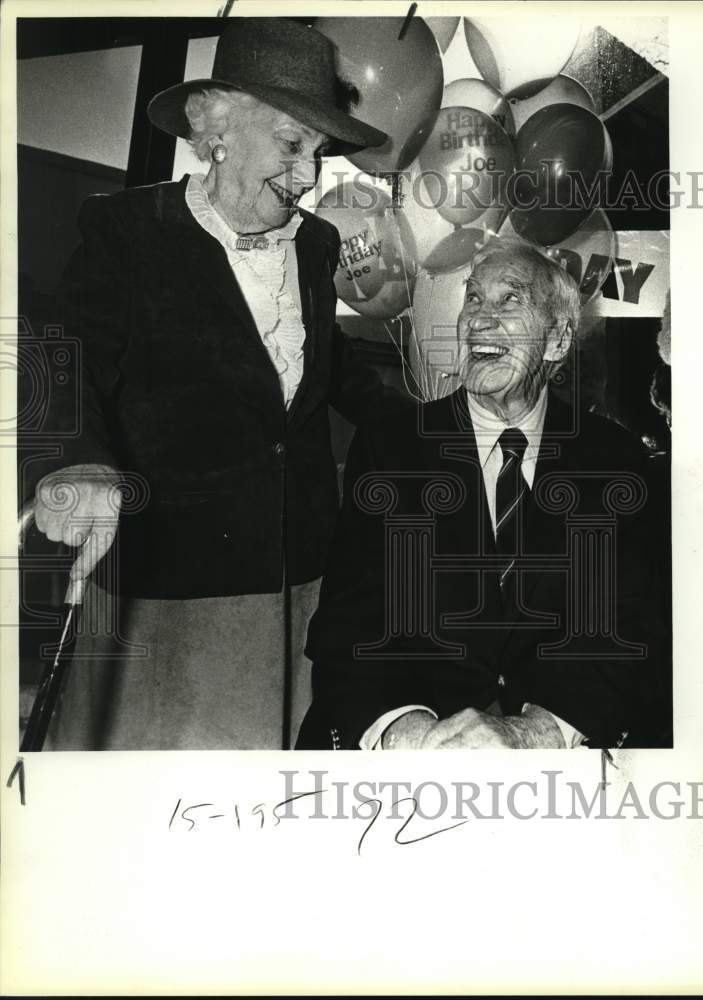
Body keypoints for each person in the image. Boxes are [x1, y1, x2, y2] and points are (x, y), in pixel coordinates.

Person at [28, 18, 404, 750]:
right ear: (215, 125)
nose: (307, 177)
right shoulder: (129, 229)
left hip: (299, 575)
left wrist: (438, 424)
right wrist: (76, 460)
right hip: (172, 581)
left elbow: (325, 365)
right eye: (292, 145)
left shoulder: (317, 243)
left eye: (318, 154)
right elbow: (64, 359)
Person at [297, 237, 668, 750]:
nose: (479, 319)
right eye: (473, 299)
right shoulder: (392, 449)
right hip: (413, 749)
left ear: (558, 342)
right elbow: (349, 626)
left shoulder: (615, 461)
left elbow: (631, 631)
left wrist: (536, 733)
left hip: (558, 751)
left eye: (509, 301)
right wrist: (405, 730)